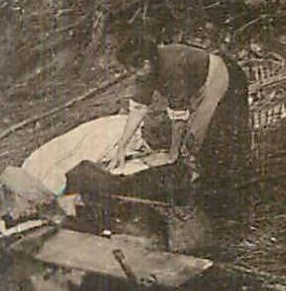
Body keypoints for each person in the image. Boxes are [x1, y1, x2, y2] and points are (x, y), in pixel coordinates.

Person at [104, 38, 252, 197]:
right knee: (195, 141)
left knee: (211, 138)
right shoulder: (146, 72)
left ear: (146, 64)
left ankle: (234, 184)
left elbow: (179, 118)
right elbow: (138, 108)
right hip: (200, 85)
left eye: (134, 70)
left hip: (226, 76)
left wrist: (172, 156)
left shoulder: (171, 68)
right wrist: (121, 147)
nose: (133, 75)